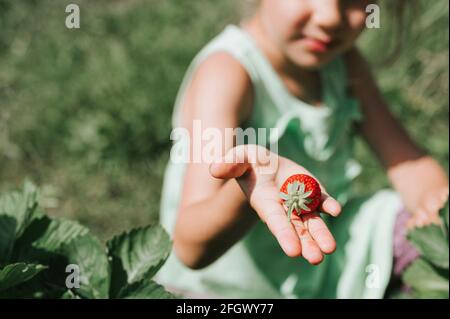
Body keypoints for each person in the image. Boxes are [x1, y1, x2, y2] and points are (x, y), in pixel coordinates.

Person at [154, 0, 449, 298]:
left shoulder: (345, 64)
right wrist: (249, 188)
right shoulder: (227, 73)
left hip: (318, 261)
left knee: (401, 220)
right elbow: (190, 249)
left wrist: (435, 208)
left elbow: (407, 163)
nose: (330, 18)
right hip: (228, 289)